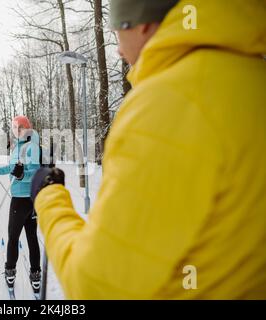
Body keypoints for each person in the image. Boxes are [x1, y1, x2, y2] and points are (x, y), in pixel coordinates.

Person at [31, 0, 266, 299]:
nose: (117, 48)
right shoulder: (252, 77)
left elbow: (97, 285)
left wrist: (49, 196)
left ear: (141, 23)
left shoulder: (169, 101)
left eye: (117, 30)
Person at [0, 115, 42, 293]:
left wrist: (22, 175)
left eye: (20, 128)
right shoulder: (18, 146)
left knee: (18, 238)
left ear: (27, 128)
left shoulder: (32, 146)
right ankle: (21, 272)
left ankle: (24, 273)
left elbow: (36, 170)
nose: (17, 131)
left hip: (24, 200)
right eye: (14, 128)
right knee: (27, 237)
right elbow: (13, 168)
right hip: (23, 198)